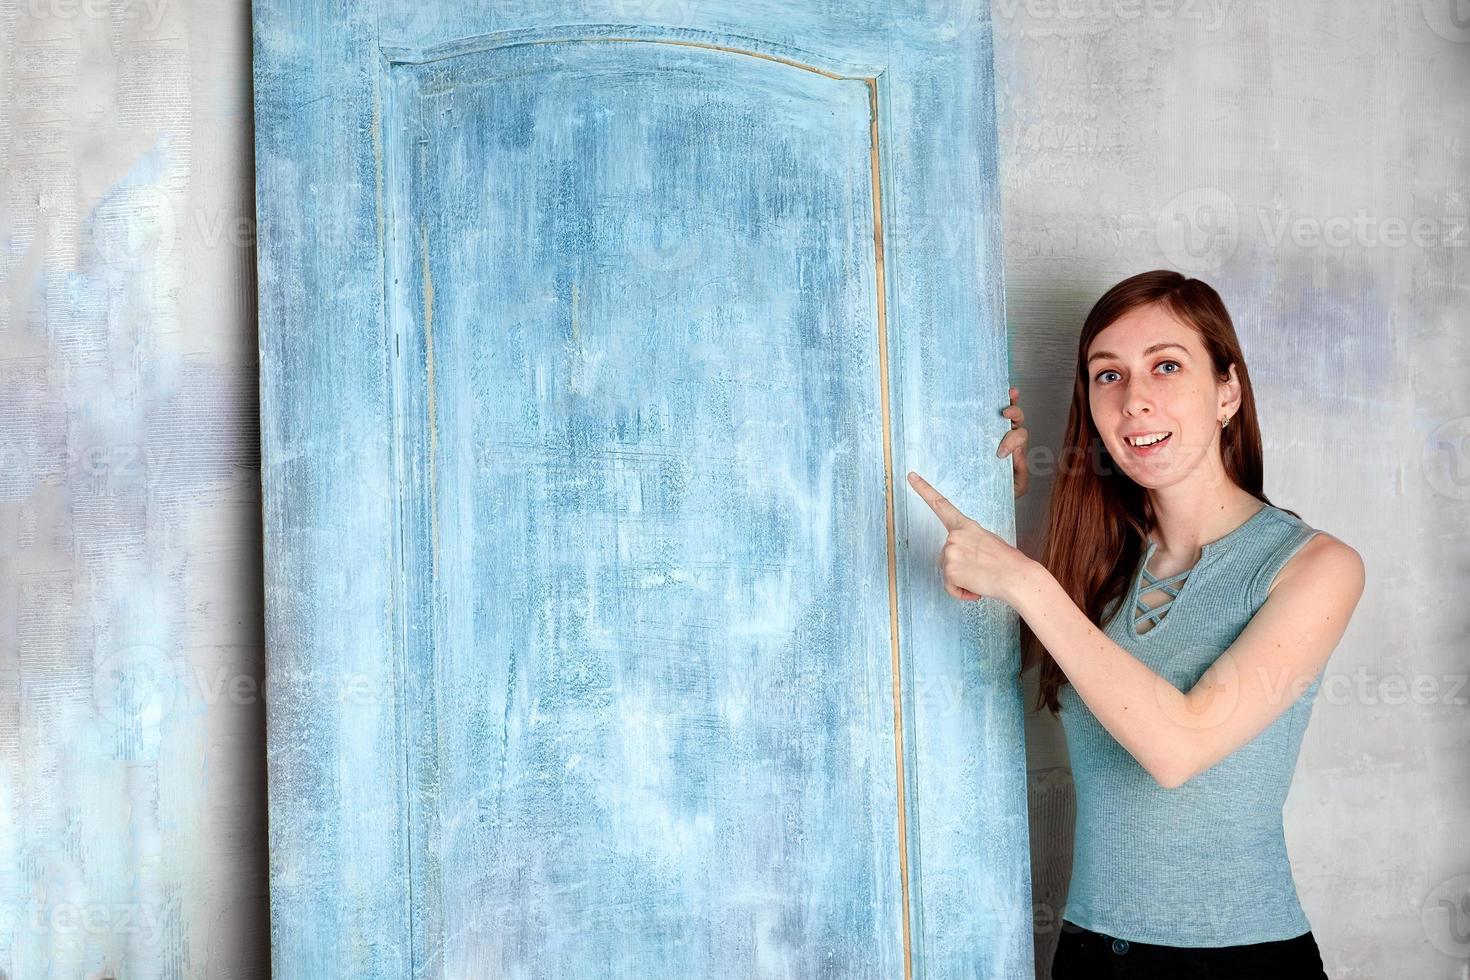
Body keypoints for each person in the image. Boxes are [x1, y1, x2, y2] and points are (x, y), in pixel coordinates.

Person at [906, 270, 1363, 978]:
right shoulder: (1091, 563)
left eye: (1167, 366)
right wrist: (995, 496)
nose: (1134, 399)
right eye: (1107, 375)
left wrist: (1026, 579)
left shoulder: (1314, 566)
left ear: (1227, 392)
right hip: (1087, 954)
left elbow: (1177, 747)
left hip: (1242, 961)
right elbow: (980, 660)